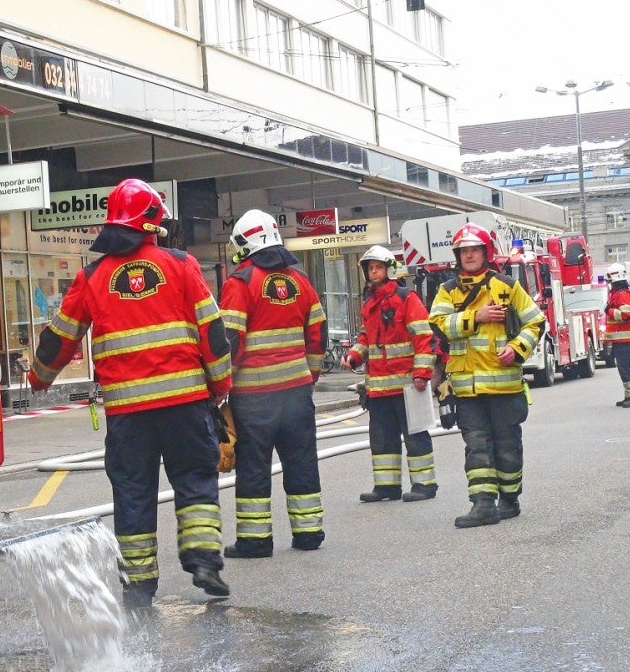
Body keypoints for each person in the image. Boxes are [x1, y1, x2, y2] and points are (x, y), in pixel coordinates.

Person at [27, 178, 233, 609]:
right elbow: (212, 331)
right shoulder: (181, 265)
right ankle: (204, 562)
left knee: (133, 493)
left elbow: (60, 338)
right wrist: (219, 386)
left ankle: (138, 586)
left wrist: (39, 377)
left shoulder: (91, 277)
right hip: (185, 406)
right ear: (152, 222)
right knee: (195, 482)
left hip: (128, 415)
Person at [219, 209, 327, 558]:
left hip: (254, 398)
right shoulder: (300, 280)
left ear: (245, 243)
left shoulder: (240, 283)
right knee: (301, 461)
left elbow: (230, 341)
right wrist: (309, 376)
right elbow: (319, 334)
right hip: (297, 393)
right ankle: (309, 532)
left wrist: (220, 389)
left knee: (253, 466)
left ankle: (255, 540)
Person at [428, 223, 545, 528]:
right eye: (463, 250)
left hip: (504, 386)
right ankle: (482, 504)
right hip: (466, 389)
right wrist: (474, 317)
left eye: (474, 250)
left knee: (507, 445)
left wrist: (517, 349)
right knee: (476, 446)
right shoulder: (447, 290)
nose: (468, 255)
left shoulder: (506, 286)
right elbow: (438, 325)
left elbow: (535, 322)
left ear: (485, 252)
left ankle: (509, 500)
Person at [344, 245, 439, 504]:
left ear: (389, 270)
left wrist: (421, 374)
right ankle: (387, 486)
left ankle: (424, 483)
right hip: (379, 387)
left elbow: (423, 338)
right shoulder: (370, 303)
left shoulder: (407, 299)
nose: (374, 273)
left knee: (415, 435)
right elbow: (367, 337)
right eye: (370, 268)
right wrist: (354, 355)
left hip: (409, 385)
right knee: (382, 438)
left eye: (378, 268)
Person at [604, 262, 630, 407]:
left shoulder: (622, 294)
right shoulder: (618, 293)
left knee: (627, 367)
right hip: (621, 339)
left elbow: (626, 314)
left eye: (609, 280)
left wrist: (610, 311)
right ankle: (629, 395)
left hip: (624, 339)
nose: (608, 283)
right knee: (623, 368)